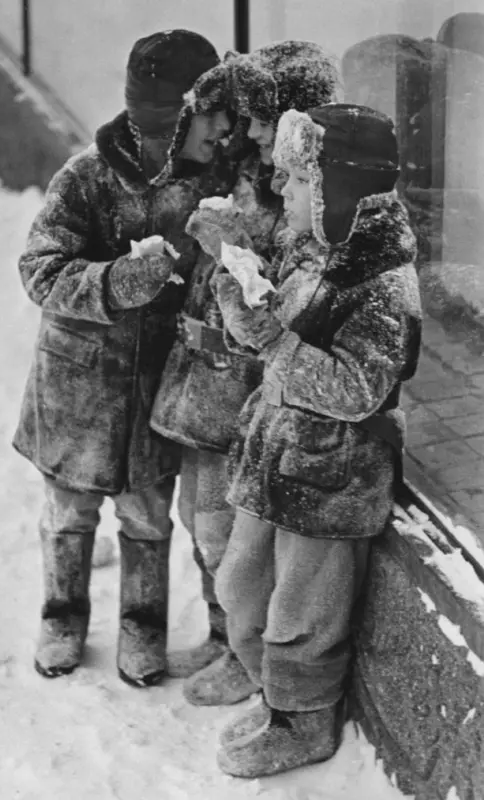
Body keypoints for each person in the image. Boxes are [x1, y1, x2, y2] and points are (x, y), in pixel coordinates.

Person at [13, 29, 233, 687]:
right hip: (78, 388)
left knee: (146, 515)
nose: (222, 135)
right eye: (210, 120)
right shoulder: (86, 176)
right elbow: (38, 269)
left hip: (159, 386)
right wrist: (111, 282)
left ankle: (144, 628)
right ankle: (61, 614)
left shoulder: (212, 182)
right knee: (70, 513)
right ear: (173, 119)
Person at [210, 104, 422, 777]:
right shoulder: (314, 243)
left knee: (302, 615)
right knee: (240, 586)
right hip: (274, 453)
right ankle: (273, 697)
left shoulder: (387, 284)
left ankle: (302, 724)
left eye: (297, 181)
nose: (282, 191)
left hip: (332, 477)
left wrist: (272, 338)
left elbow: (357, 390)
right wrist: (247, 304)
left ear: (341, 189)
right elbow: (284, 330)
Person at [150, 41, 342, 705]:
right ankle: (223, 634)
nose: (249, 129)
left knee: (227, 535)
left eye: (261, 117)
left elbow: (280, 296)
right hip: (203, 376)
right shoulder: (248, 163)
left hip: (248, 386)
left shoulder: (309, 195)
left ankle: (247, 655)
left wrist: (226, 243)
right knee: (199, 522)